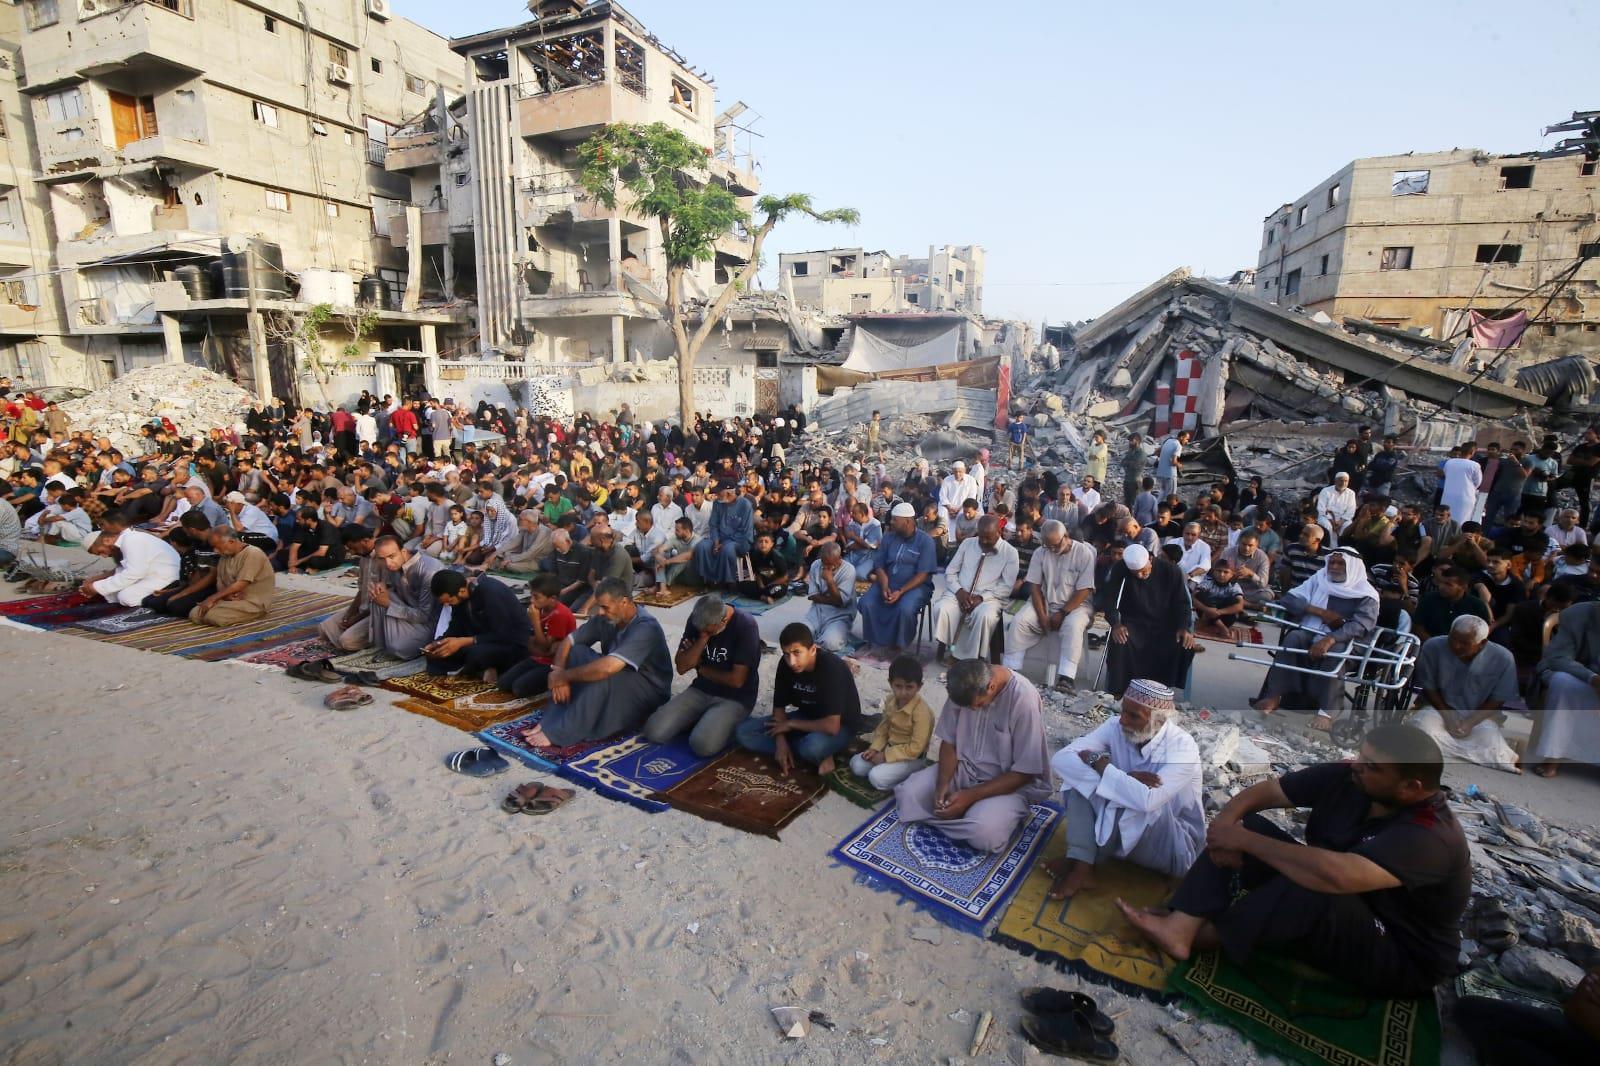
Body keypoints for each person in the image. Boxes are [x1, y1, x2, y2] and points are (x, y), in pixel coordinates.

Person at [1118, 724, 1471, 1000]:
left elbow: (1335, 876)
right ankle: (1182, 925)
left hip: (1399, 951)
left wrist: (1243, 840)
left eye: (1371, 766)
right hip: (1347, 901)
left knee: (1311, 883)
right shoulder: (1351, 779)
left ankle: (1206, 935)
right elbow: (1266, 792)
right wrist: (1227, 827)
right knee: (1253, 828)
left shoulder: (1431, 836)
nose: (1357, 766)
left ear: (1411, 787)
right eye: (1360, 757)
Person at [1045, 679, 1205, 899]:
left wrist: (1102, 765)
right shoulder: (1115, 726)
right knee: (1078, 781)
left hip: (1174, 844)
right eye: (1123, 712)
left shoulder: (1183, 747)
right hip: (1130, 835)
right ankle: (1082, 861)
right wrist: (1123, 779)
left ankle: (1080, 864)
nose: (1122, 720)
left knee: (1135, 801)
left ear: (1158, 721)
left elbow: (1147, 802)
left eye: (1134, 716)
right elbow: (1062, 760)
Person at [895, 658, 1053, 852]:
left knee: (983, 833)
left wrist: (970, 797)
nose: (973, 710)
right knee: (907, 794)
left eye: (977, 705)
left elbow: (1024, 772)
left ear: (991, 686)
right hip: (963, 770)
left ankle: (980, 816)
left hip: (1007, 785)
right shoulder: (962, 688)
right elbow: (949, 742)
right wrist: (942, 784)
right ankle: (967, 817)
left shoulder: (1023, 699)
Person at [520, 577, 673, 748]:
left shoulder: (646, 627)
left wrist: (564, 676)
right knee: (577, 653)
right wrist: (558, 671)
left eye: (604, 607)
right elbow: (568, 642)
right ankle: (551, 718)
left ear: (624, 602)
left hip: (649, 688)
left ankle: (564, 731)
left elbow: (608, 668)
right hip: (619, 674)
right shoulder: (607, 618)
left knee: (601, 675)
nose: (599, 612)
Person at [1251, 548, 1380, 732]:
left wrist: (1330, 639)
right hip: (1312, 631)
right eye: (1332, 562)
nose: (1334, 567)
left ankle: (1326, 712)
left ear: (1352, 567)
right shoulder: (1320, 579)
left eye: (1340, 563)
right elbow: (1289, 600)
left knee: (1336, 651)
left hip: (1349, 642)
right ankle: (1275, 696)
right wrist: (1320, 612)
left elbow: (1360, 626)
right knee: (1294, 638)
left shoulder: (1367, 594)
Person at [736, 621, 863, 775]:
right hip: (806, 716)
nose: (791, 661)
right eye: (786, 654)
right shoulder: (785, 665)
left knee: (811, 747)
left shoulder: (832, 668)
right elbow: (779, 710)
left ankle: (816, 751)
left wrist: (790, 724)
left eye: (797, 652)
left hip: (840, 725)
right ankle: (809, 752)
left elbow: (832, 726)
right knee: (744, 733)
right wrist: (781, 743)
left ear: (813, 649)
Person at [644, 593, 762, 757]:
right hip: (702, 689)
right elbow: (682, 666)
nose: (700, 630)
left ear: (723, 621)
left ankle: (723, 724)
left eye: (706, 629)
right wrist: (703, 638)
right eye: (699, 628)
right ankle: (705, 721)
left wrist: (701, 666)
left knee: (702, 745)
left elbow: (736, 680)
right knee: (654, 731)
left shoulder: (745, 626)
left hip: (735, 698)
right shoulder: (698, 620)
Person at [1410, 616, 1521, 772]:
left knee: (1490, 743)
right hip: (1438, 708)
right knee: (1421, 729)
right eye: (1453, 639)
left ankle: (1443, 751)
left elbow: (1498, 698)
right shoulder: (1433, 646)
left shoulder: (1503, 658)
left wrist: (1470, 722)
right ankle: (1467, 755)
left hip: (1480, 716)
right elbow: (1428, 687)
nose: (1455, 646)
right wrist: (1448, 715)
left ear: (1482, 643)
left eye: (1464, 643)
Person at [1002, 519, 1096, 691]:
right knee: (1019, 621)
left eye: (1054, 545)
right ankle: (1011, 671)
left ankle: (1066, 677)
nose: (1051, 549)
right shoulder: (1041, 552)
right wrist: (1042, 616)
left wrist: (1062, 612)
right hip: (1044, 601)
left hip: (1076, 605)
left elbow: (1084, 590)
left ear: (1065, 537)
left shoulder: (1084, 553)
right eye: (1048, 546)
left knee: (1073, 625)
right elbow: (1035, 587)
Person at [1097, 543, 1197, 697]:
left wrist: (1183, 627)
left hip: (1165, 624)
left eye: (1143, 572)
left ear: (1150, 559)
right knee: (1121, 640)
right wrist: (1116, 624)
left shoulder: (1171, 571)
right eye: (1135, 573)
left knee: (1183, 644)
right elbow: (1109, 600)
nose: (1139, 576)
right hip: (1133, 622)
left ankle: (1161, 689)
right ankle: (1120, 691)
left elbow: (1182, 603)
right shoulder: (1120, 569)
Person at [934, 515, 1018, 663]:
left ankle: (969, 659)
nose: (984, 542)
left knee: (984, 616)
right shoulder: (967, 544)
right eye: (981, 537)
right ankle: (952, 650)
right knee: (942, 608)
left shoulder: (1010, 553)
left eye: (988, 538)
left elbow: (1006, 586)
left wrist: (981, 599)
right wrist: (959, 592)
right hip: (960, 593)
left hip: (990, 599)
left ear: (999, 532)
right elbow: (951, 571)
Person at [1530, 600, 1600, 777]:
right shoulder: (1578, 614)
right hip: (1584, 678)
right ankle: (1554, 755)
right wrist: (1593, 679)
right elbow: (1558, 658)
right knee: (1562, 681)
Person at [858, 502, 938, 654]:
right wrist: (884, 584)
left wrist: (901, 591)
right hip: (888, 582)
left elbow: (923, 574)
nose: (891, 522)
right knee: (866, 603)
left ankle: (899, 645)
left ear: (907, 521)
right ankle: (877, 641)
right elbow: (879, 564)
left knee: (905, 609)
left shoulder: (925, 541)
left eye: (895, 520)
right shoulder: (888, 538)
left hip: (916, 587)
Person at [423, 569, 531, 682]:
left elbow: (504, 634)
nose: (448, 605)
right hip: (481, 640)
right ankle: (481, 668)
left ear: (462, 591)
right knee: (439, 654)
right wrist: (438, 644)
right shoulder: (458, 599)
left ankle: (480, 668)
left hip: (510, 643)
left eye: (449, 601)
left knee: (476, 654)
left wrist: (463, 641)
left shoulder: (490, 591)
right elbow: (455, 628)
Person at [849, 655, 935, 790]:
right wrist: (874, 748)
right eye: (898, 686)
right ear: (890, 683)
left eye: (909, 687)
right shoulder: (891, 700)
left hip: (911, 758)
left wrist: (884, 756)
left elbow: (915, 749)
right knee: (856, 765)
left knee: (875, 778)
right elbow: (884, 728)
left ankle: (907, 782)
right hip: (888, 748)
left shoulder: (922, 713)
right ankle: (888, 770)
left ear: (919, 687)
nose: (903, 692)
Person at [497, 574, 579, 699]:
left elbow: (545, 647)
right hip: (538, 657)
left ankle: (551, 684)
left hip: (552, 663)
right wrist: (537, 646)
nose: (531, 600)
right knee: (503, 684)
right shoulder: (539, 609)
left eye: (536, 597)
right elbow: (530, 641)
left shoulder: (559, 614)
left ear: (552, 598)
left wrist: (535, 622)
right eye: (531, 595)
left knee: (519, 689)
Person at [364, 535, 443, 661]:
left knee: (398, 648)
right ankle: (381, 645)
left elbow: (424, 615)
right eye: (382, 558)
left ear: (404, 551)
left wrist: (389, 604)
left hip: (430, 622)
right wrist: (382, 584)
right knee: (376, 594)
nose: (388, 563)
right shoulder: (391, 565)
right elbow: (385, 583)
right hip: (408, 611)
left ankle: (391, 645)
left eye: (391, 556)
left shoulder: (428, 570)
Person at [80, 512, 181, 607]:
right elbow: (123, 570)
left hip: (168, 578)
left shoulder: (131, 540)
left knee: (126, 597)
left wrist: (97, 587)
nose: (104, 556)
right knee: (113, 593)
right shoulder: (126, 540)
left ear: (106, 540)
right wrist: (96, 582)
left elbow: (134, 573)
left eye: (100, 551)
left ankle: (162, 599)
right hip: (151, 575)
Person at [189, 527, 275, 627]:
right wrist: (225, 596)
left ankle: (255, 613)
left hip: (252, 601)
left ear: (231, 541)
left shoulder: (253, 553)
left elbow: (241, 584)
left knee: (214, 617)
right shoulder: (224, 556)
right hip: (230, 600)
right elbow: (220, 581)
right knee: (194, 614)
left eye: (217, 547)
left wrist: (212, 598)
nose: (215, 551)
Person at [691, 479, 754, 587]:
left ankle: (729, 582)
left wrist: (724, 543)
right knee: (702, 546)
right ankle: (707, 580)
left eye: (718, 493)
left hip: (740, 541)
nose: (716, 495)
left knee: (727, 549)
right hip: (720, 539)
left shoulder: (745, 505)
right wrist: (716, 542)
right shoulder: (717, 503)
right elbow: (713, 525)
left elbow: (745, 531)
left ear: (728, 493)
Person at [802, 542, 858, 652]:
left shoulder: (849, 570)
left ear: (840, 558)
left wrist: (830, 581)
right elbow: (813, 596)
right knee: (799, 634)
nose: (827, 567)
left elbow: (841, 602)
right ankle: (818, 634)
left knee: (830, 643)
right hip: (817, 611)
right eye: (824, 564)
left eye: (831, 564)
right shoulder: (816, 565)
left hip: (840, 615)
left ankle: (831, 634)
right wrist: (832, 600)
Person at [1316, 472, 1358, 547]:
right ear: (1335, 481)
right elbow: (1321, 508)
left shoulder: (1351, 493)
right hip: (1327, 517)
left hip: (1343, 519)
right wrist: (1332, 521)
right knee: (1326, 525)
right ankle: (1328, 547)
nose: (1343, 483)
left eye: (1346, 481)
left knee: (1347, 525)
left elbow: (1351, 510)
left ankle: (1341, 547)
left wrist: (1341, 522)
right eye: (1341, 480)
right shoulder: (1326, 491)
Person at [1155, 430, 1189, 499]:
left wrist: (1164, 458)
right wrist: (1180, 465)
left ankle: (1157, 507)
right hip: (1170, 474)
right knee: (1171, 496)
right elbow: (1174, 462)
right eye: (1186, 439)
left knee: (1163, 493)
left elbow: (1157, 451)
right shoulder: (1178, 445)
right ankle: (1166, 508)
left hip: (1161, 472)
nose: (1187, 441)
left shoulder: (1169, 440)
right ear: (1182, 437)